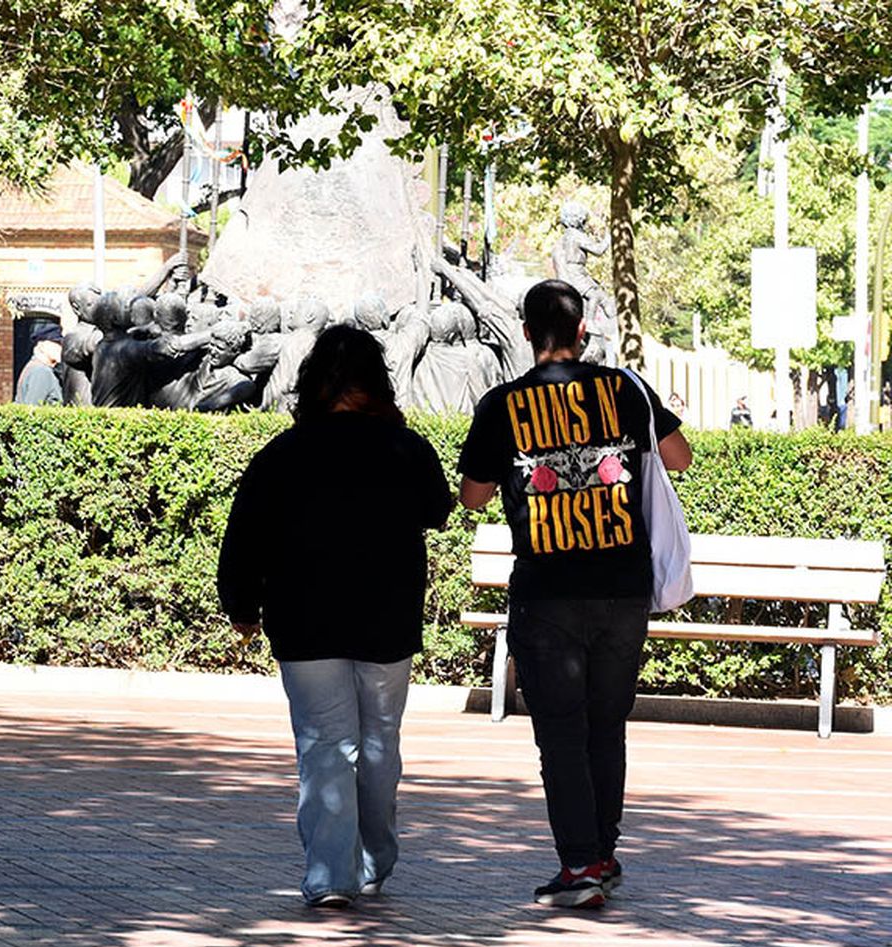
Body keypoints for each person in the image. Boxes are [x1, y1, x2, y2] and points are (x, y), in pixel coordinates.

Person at [457, 279, 692, 909]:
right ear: (582, 331)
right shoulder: (623, 389)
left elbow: (473, 496)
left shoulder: (501, 405)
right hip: (623, 590)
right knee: (606, 725)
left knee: (561, 732)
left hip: (548, 591)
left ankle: (581, 862)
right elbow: (680, 457)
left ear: (528, 332)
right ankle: (603, 851)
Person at [218, 324, 454, 908]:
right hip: (387, 617)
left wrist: (241, 606)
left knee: (325, 744)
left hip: (305, 620)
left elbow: (243, 537)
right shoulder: (405, 448)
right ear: (378, 383)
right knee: (379, 742)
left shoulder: (282, 455)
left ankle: (330, 876)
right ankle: (374, 859)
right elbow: (439, 511)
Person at [14, 326, 64, 405]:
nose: (60, 348)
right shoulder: (41, 371)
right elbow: (33, 409)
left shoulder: (36, 367)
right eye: (56, 344)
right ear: (42, 346)